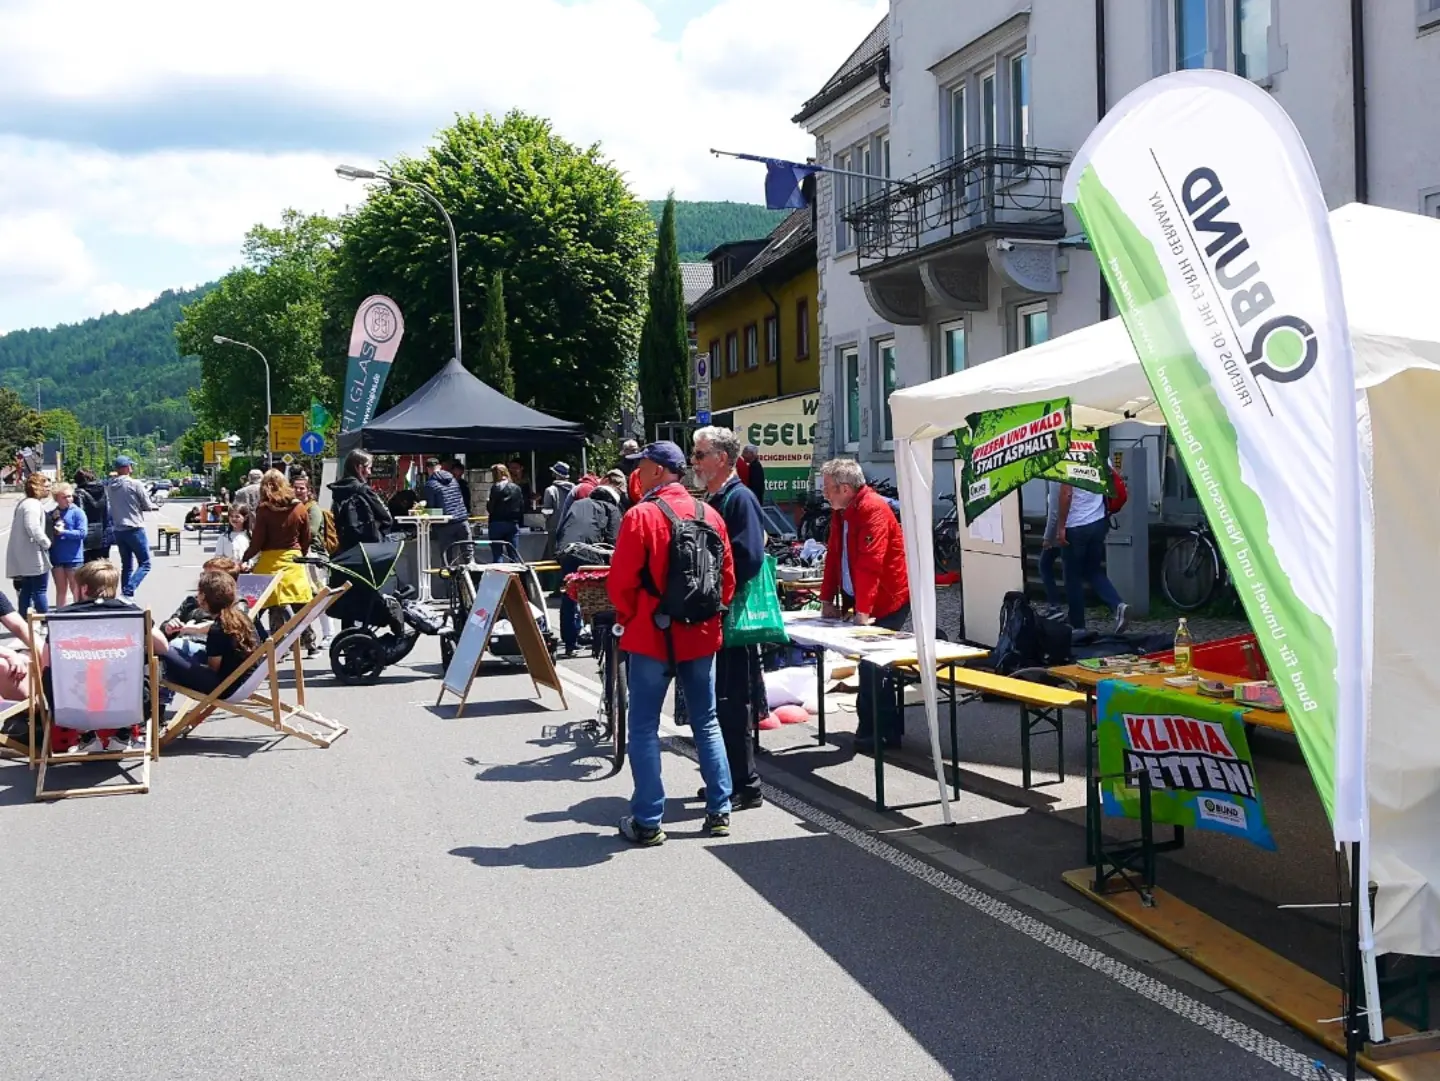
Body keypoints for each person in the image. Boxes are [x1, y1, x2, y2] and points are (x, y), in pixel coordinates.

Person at [607, 440, 735, 846]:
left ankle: (648, 820)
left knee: (643, 726)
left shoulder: (641, 515)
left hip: (652, 634)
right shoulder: (710, 514)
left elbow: (621, 583)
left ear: (658, 470)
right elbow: (727, 581)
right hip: (701, 634)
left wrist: (629, 619)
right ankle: (719, 811)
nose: (638, 472)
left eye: (642, 465)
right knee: (707, 721)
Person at [691, 426, 767, 810]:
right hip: (719, 615)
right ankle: (726, 780)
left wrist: (713, 584)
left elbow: (749, 558)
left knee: (733, 702)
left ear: (721, 458)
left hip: (732, 617)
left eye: (699, 455)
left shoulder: (740, 498)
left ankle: (745, 785)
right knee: (720, 703)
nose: (694, 462)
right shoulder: (719, 497)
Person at [819, 458, 911, 751]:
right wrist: (826, 599)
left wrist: (863, 611)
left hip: (888, 600)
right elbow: (834, 556)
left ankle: (877, 732)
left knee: (874, 667)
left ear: (845, 488)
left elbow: (871, 564)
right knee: (870, 667)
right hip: (867, 601)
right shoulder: (842, 511)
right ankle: (879, 730)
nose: (824, 493)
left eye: (828, 488)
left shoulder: (872, 509)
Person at [42, 560, 171, 755]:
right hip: (127, 701)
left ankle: (87, 736)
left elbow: (45, 661)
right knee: (154, 661)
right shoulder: (132, 613)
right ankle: (123, 734)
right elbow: (163, 646)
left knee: (52, 671)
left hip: (72, 704)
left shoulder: (62, 617)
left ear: (84, 588)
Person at [162, 571, 260, 697]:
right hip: (247, 680)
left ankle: (161, 697)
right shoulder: (239, 617)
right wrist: (195, 629)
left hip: (225, 688)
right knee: (178, 646)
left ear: (203, 597)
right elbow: (216, 629)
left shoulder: (217, 630)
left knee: (164, 652)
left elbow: (213, 668)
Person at [243, 470, 313, 637]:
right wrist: (300, 554)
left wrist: (245, 558)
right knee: (298, 604)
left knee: (256, 604)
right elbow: (307, 537)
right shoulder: (299, 507)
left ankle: (276, 641)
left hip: (269, 563)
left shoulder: (264, 509)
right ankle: (308, 638)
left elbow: (257, 541)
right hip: (294, 561)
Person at [554, 482, 621, 656]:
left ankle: (570, 643)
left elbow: (561, 528)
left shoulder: (577, 504)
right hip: (590, 552)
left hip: (566, 550)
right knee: (597, 596)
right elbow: (614, 540)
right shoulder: (611, 509)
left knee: (569, 597)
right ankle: (598, 639)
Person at [1057, 480, 1128, 634]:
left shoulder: (1067, 465)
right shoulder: (1099, 463)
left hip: (1076, 525)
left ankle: (1078, 626)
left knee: (1072, 577)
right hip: (1098, 522)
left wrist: (1061, 526)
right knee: (1093, 570)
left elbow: (1066, 494)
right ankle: (1117, 605)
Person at [290, 471, 333, 651]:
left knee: (320, 595)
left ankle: (328, 634)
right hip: (301, 557)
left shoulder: (312, 508)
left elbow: (311, 533)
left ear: (308, 490)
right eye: (295, 488)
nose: (298, 491)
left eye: (302, 488)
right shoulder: (294, 507)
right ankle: (303, 637)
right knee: (303, 598)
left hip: (314, 557)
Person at [106, 454, 156, 598]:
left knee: (127, 565)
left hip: (118, 529)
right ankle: (128, 591)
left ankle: (126, 597)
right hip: (134, 527)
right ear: (127, 467)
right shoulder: (135, 484)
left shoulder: (110, 485)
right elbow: (147, 505)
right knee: (145, 563)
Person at [7, 471, 52, 615]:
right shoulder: (32, 505)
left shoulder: (25, 503)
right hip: (33, 555)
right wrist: (46, 543)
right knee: (40, 590)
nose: (49, 489)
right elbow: (32, 527)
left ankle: (24, 619)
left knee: (27, 589)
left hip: (24, 555)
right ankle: (45, 620)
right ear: (37, 487)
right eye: (46, 486)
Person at [329, 449, 393, 551]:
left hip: (346, 546)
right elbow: (386, 517)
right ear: (359, 467)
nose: (370, 472)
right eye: (369, 468)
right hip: (370, 547)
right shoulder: (363, 489)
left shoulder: (337, 490)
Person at [422, 457, 471, 567]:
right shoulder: (453, 479)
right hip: (462, 520)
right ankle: (472, 577)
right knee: (468, 555)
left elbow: (431, 507)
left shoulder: (430, 484)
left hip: (445, 524)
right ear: (440, 467)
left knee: (448, 559)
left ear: (428, 469)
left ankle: (451, 578)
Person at [48, 482, 89, 608]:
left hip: (74, 558)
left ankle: (79, 613)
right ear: (57, 499)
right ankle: (60, 614)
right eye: (64, 497)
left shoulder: (78, 512)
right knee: (61, 590)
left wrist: (64, 532)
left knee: (76, 589)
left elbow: (82, 533)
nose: (68, 499)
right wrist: (52, 524)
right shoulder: (53, 514)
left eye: (70, 496)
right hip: (57, 556)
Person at [486, 463, 526, 562]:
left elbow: (491, 508)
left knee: (497, 555)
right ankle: (515, 571)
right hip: (512, 523)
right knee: (514, 555)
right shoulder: (516, 488)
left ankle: (499, 571)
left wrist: (488, 502)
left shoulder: (495, 488)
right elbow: (522, 507)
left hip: (496, 523)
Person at [73, 467, 112, 564]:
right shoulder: (104, 490)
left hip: (86, 533)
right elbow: (109, 511)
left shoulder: (78, 493)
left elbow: (79, 514)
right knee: (102, 566)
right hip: (103, 532)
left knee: (85, 568)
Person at [1038, 481, 1064, 617]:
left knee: (1044, 565)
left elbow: (1054, 511)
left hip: (1060, 533)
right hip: (1075, 527)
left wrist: (1048, 537)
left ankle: (1055, 605)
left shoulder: (1055, 480)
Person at [541, 462, 574, 560]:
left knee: (553, 554)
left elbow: (547, 512)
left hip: (554, 526)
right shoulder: (574, 489)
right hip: (570, 525)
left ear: (555, 474)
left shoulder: (550, 490)